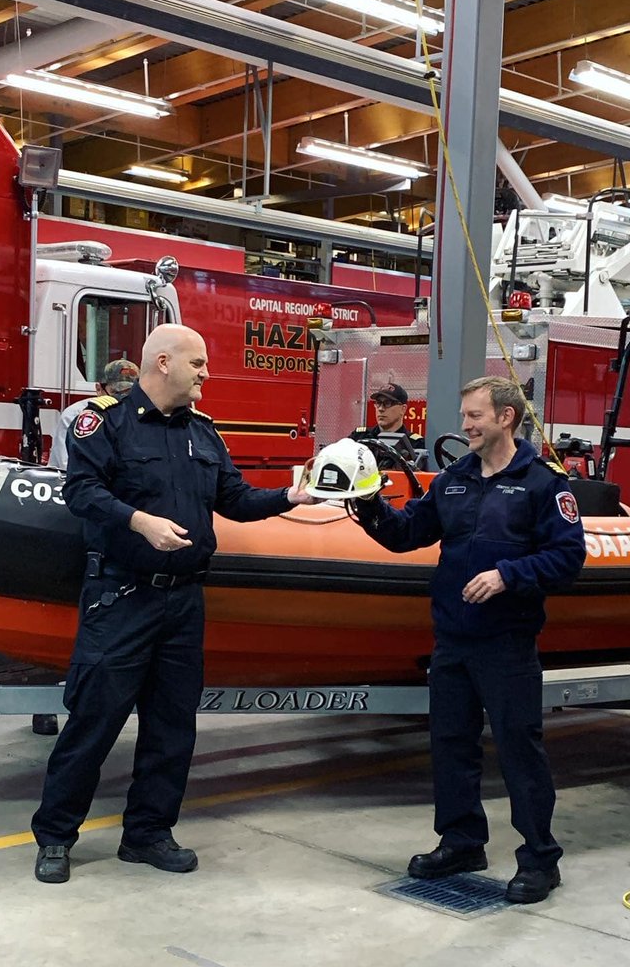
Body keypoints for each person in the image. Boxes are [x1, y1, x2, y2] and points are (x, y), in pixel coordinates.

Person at [31, 323, 316, 883]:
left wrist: (290, 495)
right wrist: (139, 522)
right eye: (199, 363)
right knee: (94, 721)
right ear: (163, 363)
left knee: (172, 726)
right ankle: (56, 837)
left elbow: (233, 498)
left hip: (183, 602)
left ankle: (148, 834)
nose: (207, 373)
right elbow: (81, 491)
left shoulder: (204, 433)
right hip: (121, 597)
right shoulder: (103, 424)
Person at [351, 376, 586, 904]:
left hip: (506, 642)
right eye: (464, 414)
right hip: (452, 638)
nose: (464, 425)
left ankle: (540, 860)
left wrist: (508, 574)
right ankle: (460, 842)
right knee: (450, 744)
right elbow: (406, 533)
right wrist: (364, 501)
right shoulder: (454, 479)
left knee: (518, 749)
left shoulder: (544, 482)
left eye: (474, 415)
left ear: (505, 416)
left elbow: (569, 557)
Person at [47, 358, 139, 470]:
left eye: (129, 393)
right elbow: (70, 467)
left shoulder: (139, 415)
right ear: (99, 389)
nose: (122, 399)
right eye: (115, 392)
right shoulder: (77, 415)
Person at [350, 382, 425, 454]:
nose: (381, 409)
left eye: (387, 403)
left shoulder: (414, 443)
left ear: (403, 409)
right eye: (378, 403)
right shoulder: (360, 436)